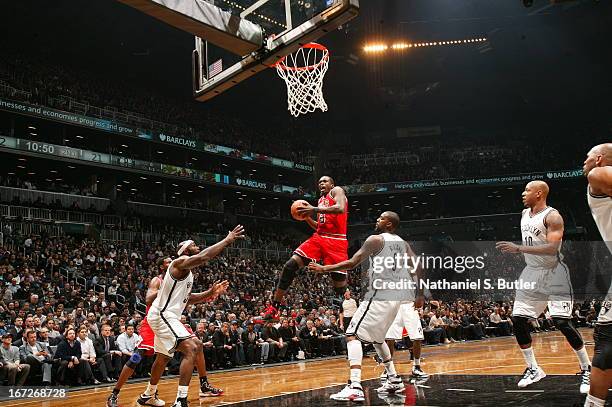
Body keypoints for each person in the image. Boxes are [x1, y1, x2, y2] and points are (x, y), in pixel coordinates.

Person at [309, 211, 418, 401]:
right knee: (378, 339)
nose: (377, 219)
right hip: (396, 298)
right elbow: (416, 265)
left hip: (379, 296)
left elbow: (352, 262)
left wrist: (324, 268)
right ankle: (393, 379)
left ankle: (355, 385)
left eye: (382, 218)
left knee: (352, 335)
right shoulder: (403, 243)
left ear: (390, 224)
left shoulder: (376, 239)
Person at [496, 181, 591, 392]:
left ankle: (587, 368)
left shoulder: (553, 216)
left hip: (554, 272)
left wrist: (519, 249)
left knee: (561, 322)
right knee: (518, 320)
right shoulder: (523, 214)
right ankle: (533, 368)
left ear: (539, 193)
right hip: (531, 273)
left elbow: (552, 248)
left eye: (527, 190)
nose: (523, 193)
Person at [139, 226, 243, 407]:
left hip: (165, 316)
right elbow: (204, 256)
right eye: (194, 245)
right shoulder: (180, 262)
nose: (197, 246)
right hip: (162, 314)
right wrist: (227, 240)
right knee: (192, 347)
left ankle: (148, 394)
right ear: (185, 251)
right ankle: (181, 400)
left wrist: (211, 292)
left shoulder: (186, 274)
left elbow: (188, 299)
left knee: (163, 357)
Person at [266, 176, 348, 319]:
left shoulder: (336, 191)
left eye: (325, 181)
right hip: (320, 237)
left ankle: (345, 313)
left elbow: (340, 208)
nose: (322, 183)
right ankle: (274, 307)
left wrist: (313, 209)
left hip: (336, 240)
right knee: (289, 266)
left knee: (339, 288)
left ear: (332, 184)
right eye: (319, 182)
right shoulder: (320, 201)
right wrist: (307, 218)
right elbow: (319, 227)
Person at [583, 143, 612, 407]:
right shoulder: (598, 179)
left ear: (600, 159)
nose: (584, 162)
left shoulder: (597, 172)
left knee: (606, 343)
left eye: (588, 157)